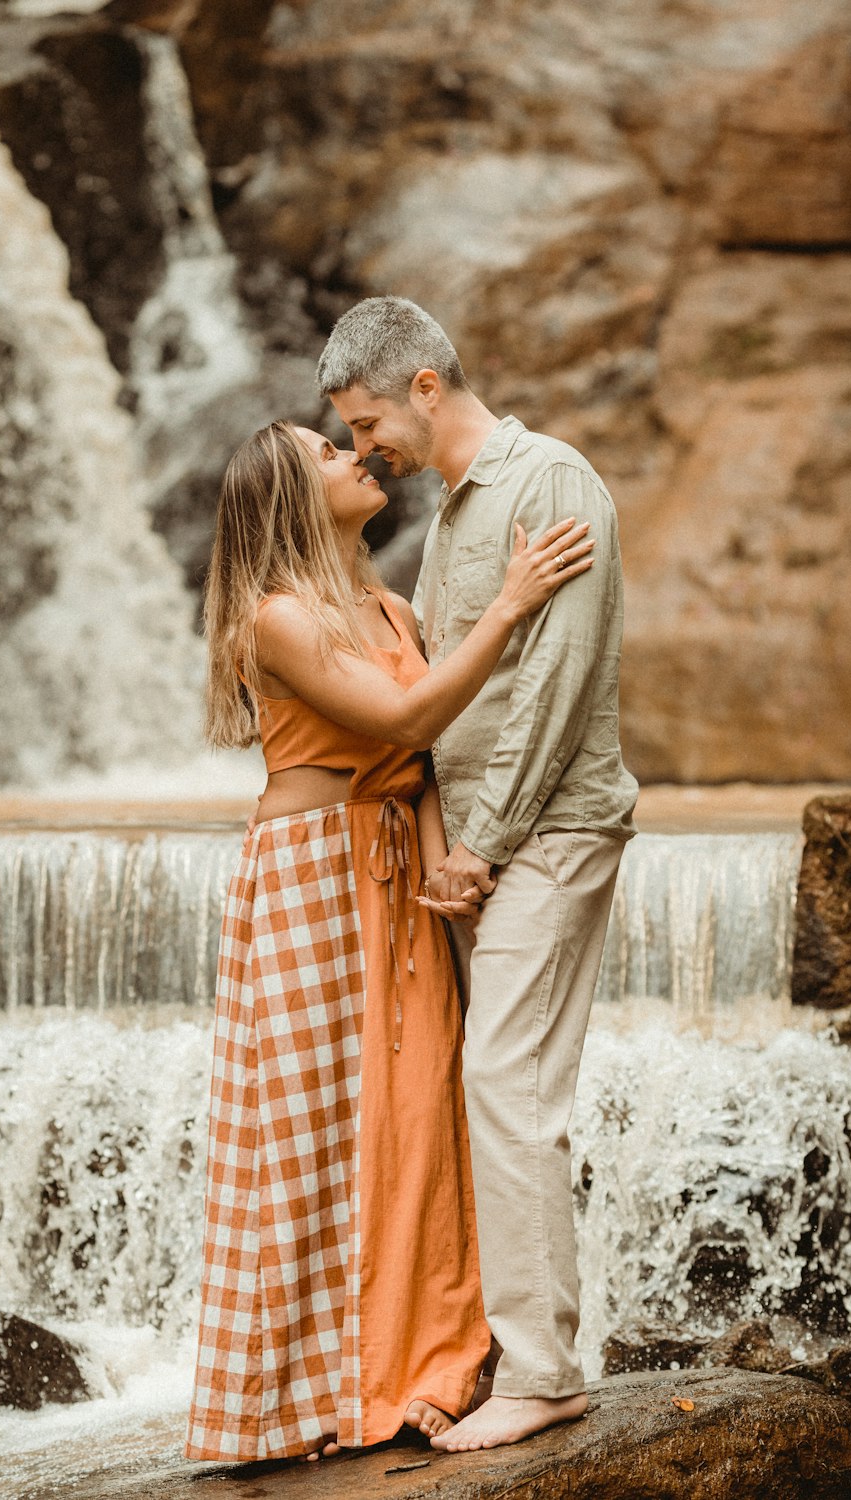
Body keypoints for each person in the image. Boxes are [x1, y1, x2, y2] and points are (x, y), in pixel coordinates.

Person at [184, 419, 594, 1464]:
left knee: (418, 1121)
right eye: (325, 452)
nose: (351, 455)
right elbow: (408, 718)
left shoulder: (389, 605)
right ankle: (300, 1393)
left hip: (395, 872)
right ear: (284, 495)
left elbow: (412, 769)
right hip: (309, 878)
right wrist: (511, 601)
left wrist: (453, 864)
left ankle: (425, 1372)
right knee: (315, 1134)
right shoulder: (272, 617)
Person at [317, 296, 640, 1452]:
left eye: (363, 425)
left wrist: (481, 842)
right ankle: (519, 1348)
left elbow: (556, 682)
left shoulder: (550, 482)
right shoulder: (454, 518)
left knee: (505, 1083)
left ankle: (543, 1372)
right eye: (347, 441)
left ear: (421, 385)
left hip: (545, 836)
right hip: (484, 849)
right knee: (499, 1085)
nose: (363, 453)